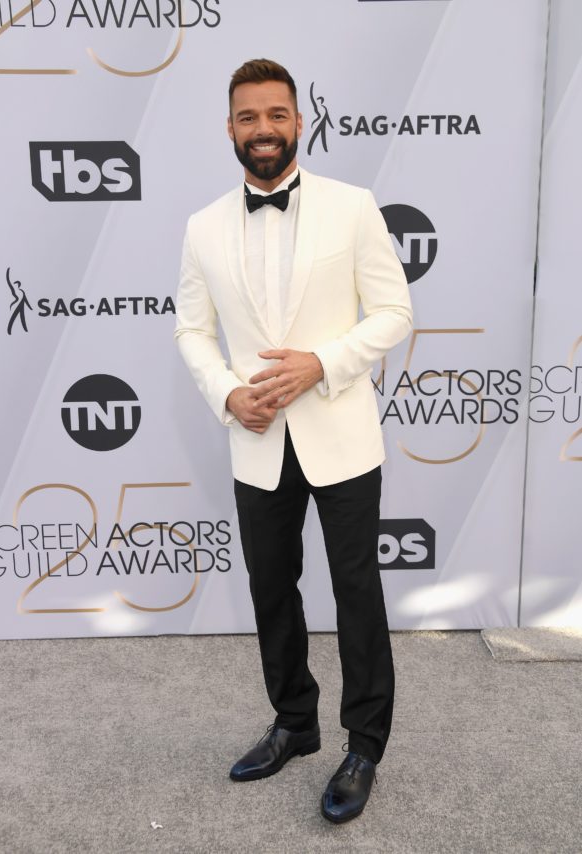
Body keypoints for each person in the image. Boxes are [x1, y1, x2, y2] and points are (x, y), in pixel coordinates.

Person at [175, 58, 412, 823]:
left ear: (298, 121)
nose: (263, 129)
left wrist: (322, 363)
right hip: (257, 439)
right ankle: (294, 723)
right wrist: (227, 393)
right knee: (271, 588)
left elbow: (393, 312)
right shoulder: (203, 225)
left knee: (356, 591)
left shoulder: (352, 207)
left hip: (341, 433)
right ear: (230, 128)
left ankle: (363, 746)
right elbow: (191, 330)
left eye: (276, 114)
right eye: (248, 117)